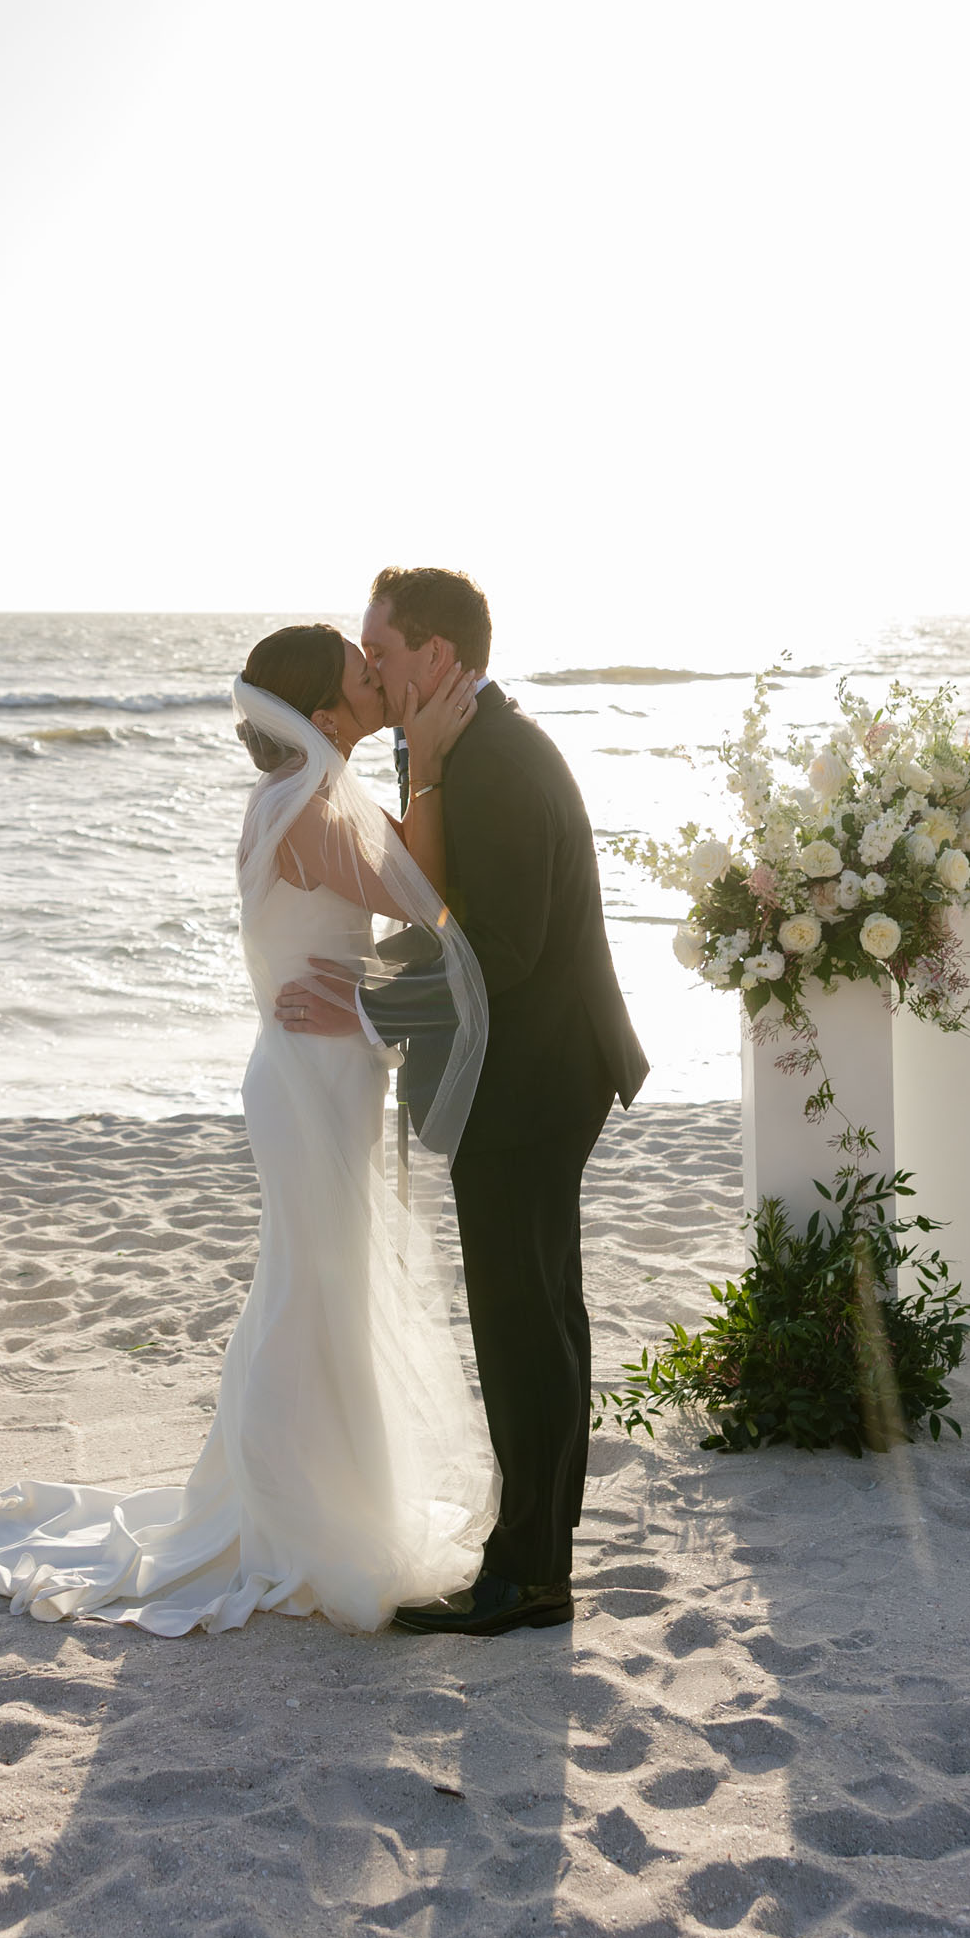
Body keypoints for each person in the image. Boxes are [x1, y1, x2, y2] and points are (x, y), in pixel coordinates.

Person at [0, 625, 498, 1635]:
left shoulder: (305, 796)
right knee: (311, 1290)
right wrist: (441, 762)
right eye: (362, 677)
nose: (379, 680)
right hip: (309, 1075)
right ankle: (297, 1514)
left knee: (313, 1284)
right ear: (325, 718)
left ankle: (312, 1495)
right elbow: (430, 887)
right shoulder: (313, 811)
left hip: (315, 1070)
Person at [275, 567, 649, 1636]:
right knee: (540, 1312)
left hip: (537, 1075)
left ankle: (528, 1571)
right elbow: (454, 913)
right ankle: (530, 1551)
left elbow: (507, 949)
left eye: (381, 650)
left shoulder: (492, 761)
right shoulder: (453, 748)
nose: (372, 669)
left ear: (437, 655)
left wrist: (360, 995)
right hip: (532, 1062)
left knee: (523, 1320)